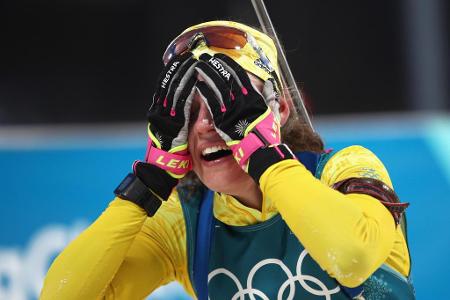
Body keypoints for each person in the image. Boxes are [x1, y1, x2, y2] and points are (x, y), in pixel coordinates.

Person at [40, 20, 415, 299]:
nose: (205, 125)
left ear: (279, 109)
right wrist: (149, 182)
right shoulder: (186, 221)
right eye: (188, 113)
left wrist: (263, 156)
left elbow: (350, 258)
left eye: (229, 105)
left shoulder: (342, 170)